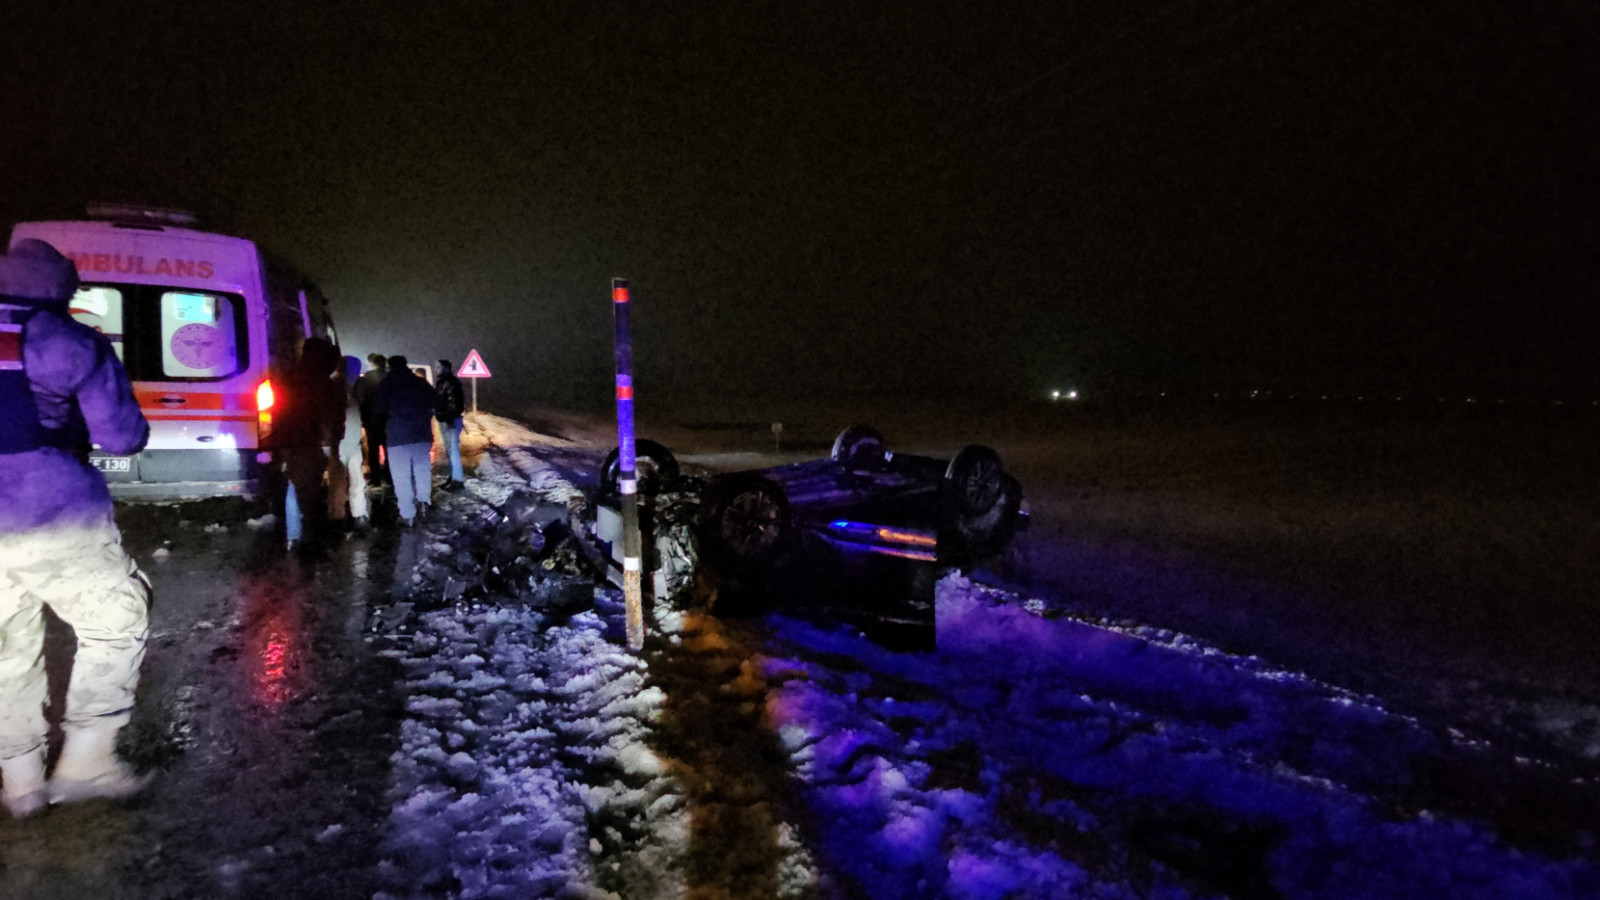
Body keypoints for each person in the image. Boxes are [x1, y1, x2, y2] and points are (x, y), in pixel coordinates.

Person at [0, 239, 152, 817]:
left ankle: (21, 783)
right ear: (60, 285)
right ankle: (87, 761)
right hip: (55, 514)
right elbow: (122, 437)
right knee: (116, 619)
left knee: (6, 648)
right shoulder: (72, 341)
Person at [272, 337, 344, 551]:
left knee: (296, 488)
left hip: (291, 442)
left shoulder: (287, 378)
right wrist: (331, 443)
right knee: (311, 493)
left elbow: (277, 413)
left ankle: (295, 535)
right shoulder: (322, 382)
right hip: (312, 443)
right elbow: (329, 415)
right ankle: (310, 542)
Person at [373, 354, 438, 526]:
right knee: (422, 470)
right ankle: (424, 502)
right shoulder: (420, 382)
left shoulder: (386, 384)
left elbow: (378, 408)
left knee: (401, 476)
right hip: (421, 434)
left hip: (397, 437)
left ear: (390, 366)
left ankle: (407, 514)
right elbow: (435, 401)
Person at [326, 355, 370, 531]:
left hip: (348, 442)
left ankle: (354, 515)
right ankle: (347, 517)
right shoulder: (338, 386)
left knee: (351, 480)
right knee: (345, 481)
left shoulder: (351, 387)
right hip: (341, 443)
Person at [352, 352, 387, 486]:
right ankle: (389, 475)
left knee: (373, 448)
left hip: (371, 418)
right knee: (388, 447)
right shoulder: (390, 377)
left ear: (372, 363)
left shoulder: (366, 379)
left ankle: (375, 477)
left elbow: (360, 398)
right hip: (388, 418)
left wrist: (362, 416)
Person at [434, 359, 466, 491]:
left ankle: (458, 480)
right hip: (445, 419)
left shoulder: (449, 382)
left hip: (450, 420)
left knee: (453, 450)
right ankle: (452, 477)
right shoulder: (444, 381)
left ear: (446, 368)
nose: (436, 369)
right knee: (449, 451)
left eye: (438, 366)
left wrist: (448, 418)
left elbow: (453, 403)